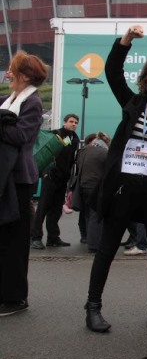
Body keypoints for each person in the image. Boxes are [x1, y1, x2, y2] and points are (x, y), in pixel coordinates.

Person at [84, 24, 147, 333]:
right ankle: (93, 307)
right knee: (107, 247)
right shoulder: (133, 103)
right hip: (124, 186)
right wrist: (125, 40)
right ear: (145, 79)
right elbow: (113, 71)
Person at [0, 50, 47, 316]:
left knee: (15, 241)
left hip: (18, 178)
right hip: (5, 177)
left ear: (26, 75)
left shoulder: (32, 102)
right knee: (3, 239)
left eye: (12, 70)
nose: (8, 74)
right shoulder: (10, 99)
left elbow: (20, 135)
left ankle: (16, 298)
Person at [30, 113, 79, 249]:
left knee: (56, 210)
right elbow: (42, 152)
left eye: (76, 122)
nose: (74, 124)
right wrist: (45, 171)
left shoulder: (74, 138)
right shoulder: (55, 134)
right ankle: (36, 237)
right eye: (71, 121)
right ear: (65, 122)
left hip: (63, 179)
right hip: (51, 176)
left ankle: (53, 237)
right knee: (43, 208)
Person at [74, 132, 110, 253]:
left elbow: (78, 167)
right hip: (96, 187)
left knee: (87, 215)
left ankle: (88, 239)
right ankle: (94, 245)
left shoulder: (84, 150)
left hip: (83, 185)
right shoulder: (104, 152)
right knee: (96, 215)